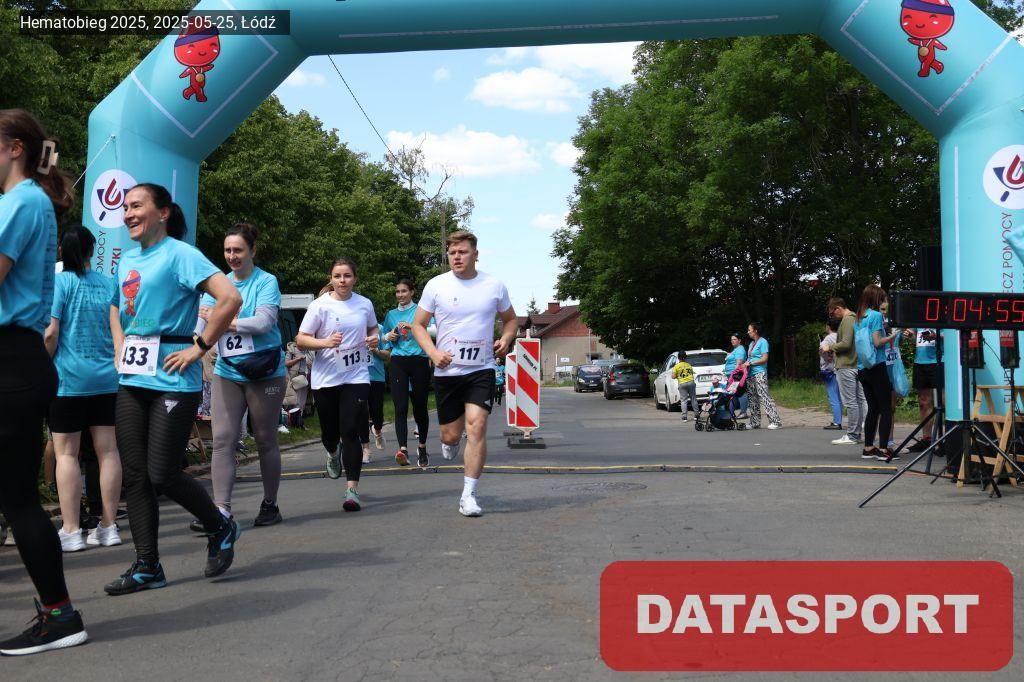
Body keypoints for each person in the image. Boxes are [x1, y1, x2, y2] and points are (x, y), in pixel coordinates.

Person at [104, 182, 243, 596]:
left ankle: (219, 526)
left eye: (137, 206)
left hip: (172, 377)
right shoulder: (128, 259)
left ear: (162, 212)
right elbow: (116, 306)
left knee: (162, 472)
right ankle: (147, 565)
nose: (128, 214)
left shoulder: (181, 254)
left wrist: (199, 346)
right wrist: (119, 344)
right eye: (125, 207)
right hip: (133, 378)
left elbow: (229, 298)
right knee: (135, 475)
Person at [0, 108, 89, 655]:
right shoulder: (23, 201)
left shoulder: (21, 202)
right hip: (17, 360)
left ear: (14, 148)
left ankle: (61, 615)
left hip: (13, 361)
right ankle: (59, 613)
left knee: (17, 498)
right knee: (13, 496)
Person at [412, 230, 517, 517]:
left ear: (475, 254)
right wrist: (433, 353)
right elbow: (418, 325)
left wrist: (506, 339)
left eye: (462, 252)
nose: (457, 257)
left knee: (477, 426)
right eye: (452, 253)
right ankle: (451, 442)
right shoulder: (436, 285)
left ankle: (468, 494)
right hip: (447, 372)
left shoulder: (494, 286)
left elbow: (511, 320)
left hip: (481, 368)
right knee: (450, 435)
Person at [198, 223, 287, 529]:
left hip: (264, 372)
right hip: (228, 370)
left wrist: (223, 320)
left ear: (252, 251)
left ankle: (270, 503)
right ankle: (220, 510)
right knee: (223, 439)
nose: (232, 256)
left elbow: (263, 323)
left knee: (265, 439)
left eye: (238, 250)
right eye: (227, 250)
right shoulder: (219, 284)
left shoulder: (266, 282)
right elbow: (201, 324)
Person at [44, 225, 123, 551]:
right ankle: (109, 526)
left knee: (67, 454)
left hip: (68, 380)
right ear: (92, 250)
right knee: (108, 451)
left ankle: (72, 529)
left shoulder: (59, 283)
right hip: (106, 380)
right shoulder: (108, 283)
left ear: (62, 250)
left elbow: (51, 333)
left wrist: (42, 365)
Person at [297, 257, 379, 511]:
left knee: (351, 430)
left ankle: (352, 490)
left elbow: (373, 329)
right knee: (330, 433)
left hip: (356, 375)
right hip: (326, 378)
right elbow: (301, 339)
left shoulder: (364, 304)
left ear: (355, 278)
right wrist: (325, 343)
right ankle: (332, 453)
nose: (342, 280)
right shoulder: (319, 306)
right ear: (331, 279)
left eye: (347, 276)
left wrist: (374, 339)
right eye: (337, 276)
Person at [381, 278, 433, 467]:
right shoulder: (391, 314)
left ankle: (422, 447)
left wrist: (415, 327)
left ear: (412, 292)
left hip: (419, 360)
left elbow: (435, 330)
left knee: (420, 407)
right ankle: (402, 449)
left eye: (404, 291)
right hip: (398, 361)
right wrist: (389, 336)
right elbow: (383, 338)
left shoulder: (421, 311)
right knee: (400, 407)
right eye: (397, 292)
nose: (400, 295)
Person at [855, 284, 900, 462]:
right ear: (876, 299)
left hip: (862, 367)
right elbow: (877, 342)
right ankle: (883, 449)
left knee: (873, 408)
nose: (884, 303)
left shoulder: (859, 317)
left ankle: (868, 448)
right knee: (886, 409)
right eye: (882, 299)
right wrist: (892, 336)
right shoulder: (875, 316)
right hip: (877, 366)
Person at [825, 297, 868, 446]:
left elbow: (846, 343)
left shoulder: (848, 319)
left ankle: (852, 435)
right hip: (856, 364)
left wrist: (830, 347)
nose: (833, 316)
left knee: (851, 402)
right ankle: (856, 433)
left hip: (847, 365)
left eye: (832, 313)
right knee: (858, 401)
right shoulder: (855, 318)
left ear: (838, 308)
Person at [904, 327, 943, 452]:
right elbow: (915, 336)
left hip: (938, 360)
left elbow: (951, 336)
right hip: (920, 362)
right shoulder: (918, 318)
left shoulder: (940, 316)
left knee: (943, 402)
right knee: (923, 402)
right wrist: (910, 335)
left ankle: (948, 438)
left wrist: (936, 336)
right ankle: (927, 439)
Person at [743, 322, 781, 429]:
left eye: (749, 330)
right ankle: (755, 422)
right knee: (752, 398)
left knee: (764, 396)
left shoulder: (763, 342)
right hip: (750, 373)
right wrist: (744, 364)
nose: (748, 332)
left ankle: (775, 421)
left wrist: (751, 363)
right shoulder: (751, 344)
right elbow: (749, 358)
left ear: (755, 331)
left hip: (760, 372)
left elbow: (764, 358)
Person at [359, 341, 390, 465]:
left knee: (377, 411)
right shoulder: (353, 331)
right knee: (362, 414)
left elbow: (388, 356)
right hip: (358, 378)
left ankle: (377, 430)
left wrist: (376, 350)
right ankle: (366, 449)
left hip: (377, 377)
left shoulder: (380, 332)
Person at [819, 318, 844, 431]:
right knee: (839, 397)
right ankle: (838, 420)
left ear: (828, 326)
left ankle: (837, 422)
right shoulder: (841, 337)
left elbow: (822, 350)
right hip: (840, 368)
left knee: (833, 397)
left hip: (829, 370)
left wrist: (824, 353)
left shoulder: (828, 338)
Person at [723, 333, 749, 417]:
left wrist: (733, 376)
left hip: (736, 375)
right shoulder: (736, 349)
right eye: (731, 339)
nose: (732, 341)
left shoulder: (740, 350)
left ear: (739, 340)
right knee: (733, 393)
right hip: (732, 375)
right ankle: (730, 413)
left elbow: (738, 364)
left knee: (741, 392)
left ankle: (743, 412)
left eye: (734, 339)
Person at [671, 351, 697, 422]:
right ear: (685, 357)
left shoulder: (676, 366)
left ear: (678, 358)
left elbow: (673, 376)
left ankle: (684, 417)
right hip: (691, 382)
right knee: (693, 399)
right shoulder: (689, 365)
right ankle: (696, 415)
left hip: (682, 383)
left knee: (683, 400)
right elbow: (691, 373)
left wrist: (677, 375)